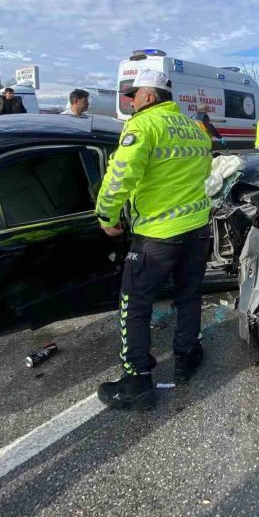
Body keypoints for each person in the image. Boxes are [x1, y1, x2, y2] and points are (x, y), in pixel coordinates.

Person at [94, 69, 213, 410]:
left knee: (135, 306)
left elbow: (120, 176)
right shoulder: (195, 128)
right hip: (197, 229)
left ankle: (137, 383)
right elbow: (204, 173)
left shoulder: (142, 126)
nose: (130, 101)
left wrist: (107, 216)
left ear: (150, 96)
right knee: (189, 295)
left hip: (157, 237)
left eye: (134, 95)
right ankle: (187, 356)